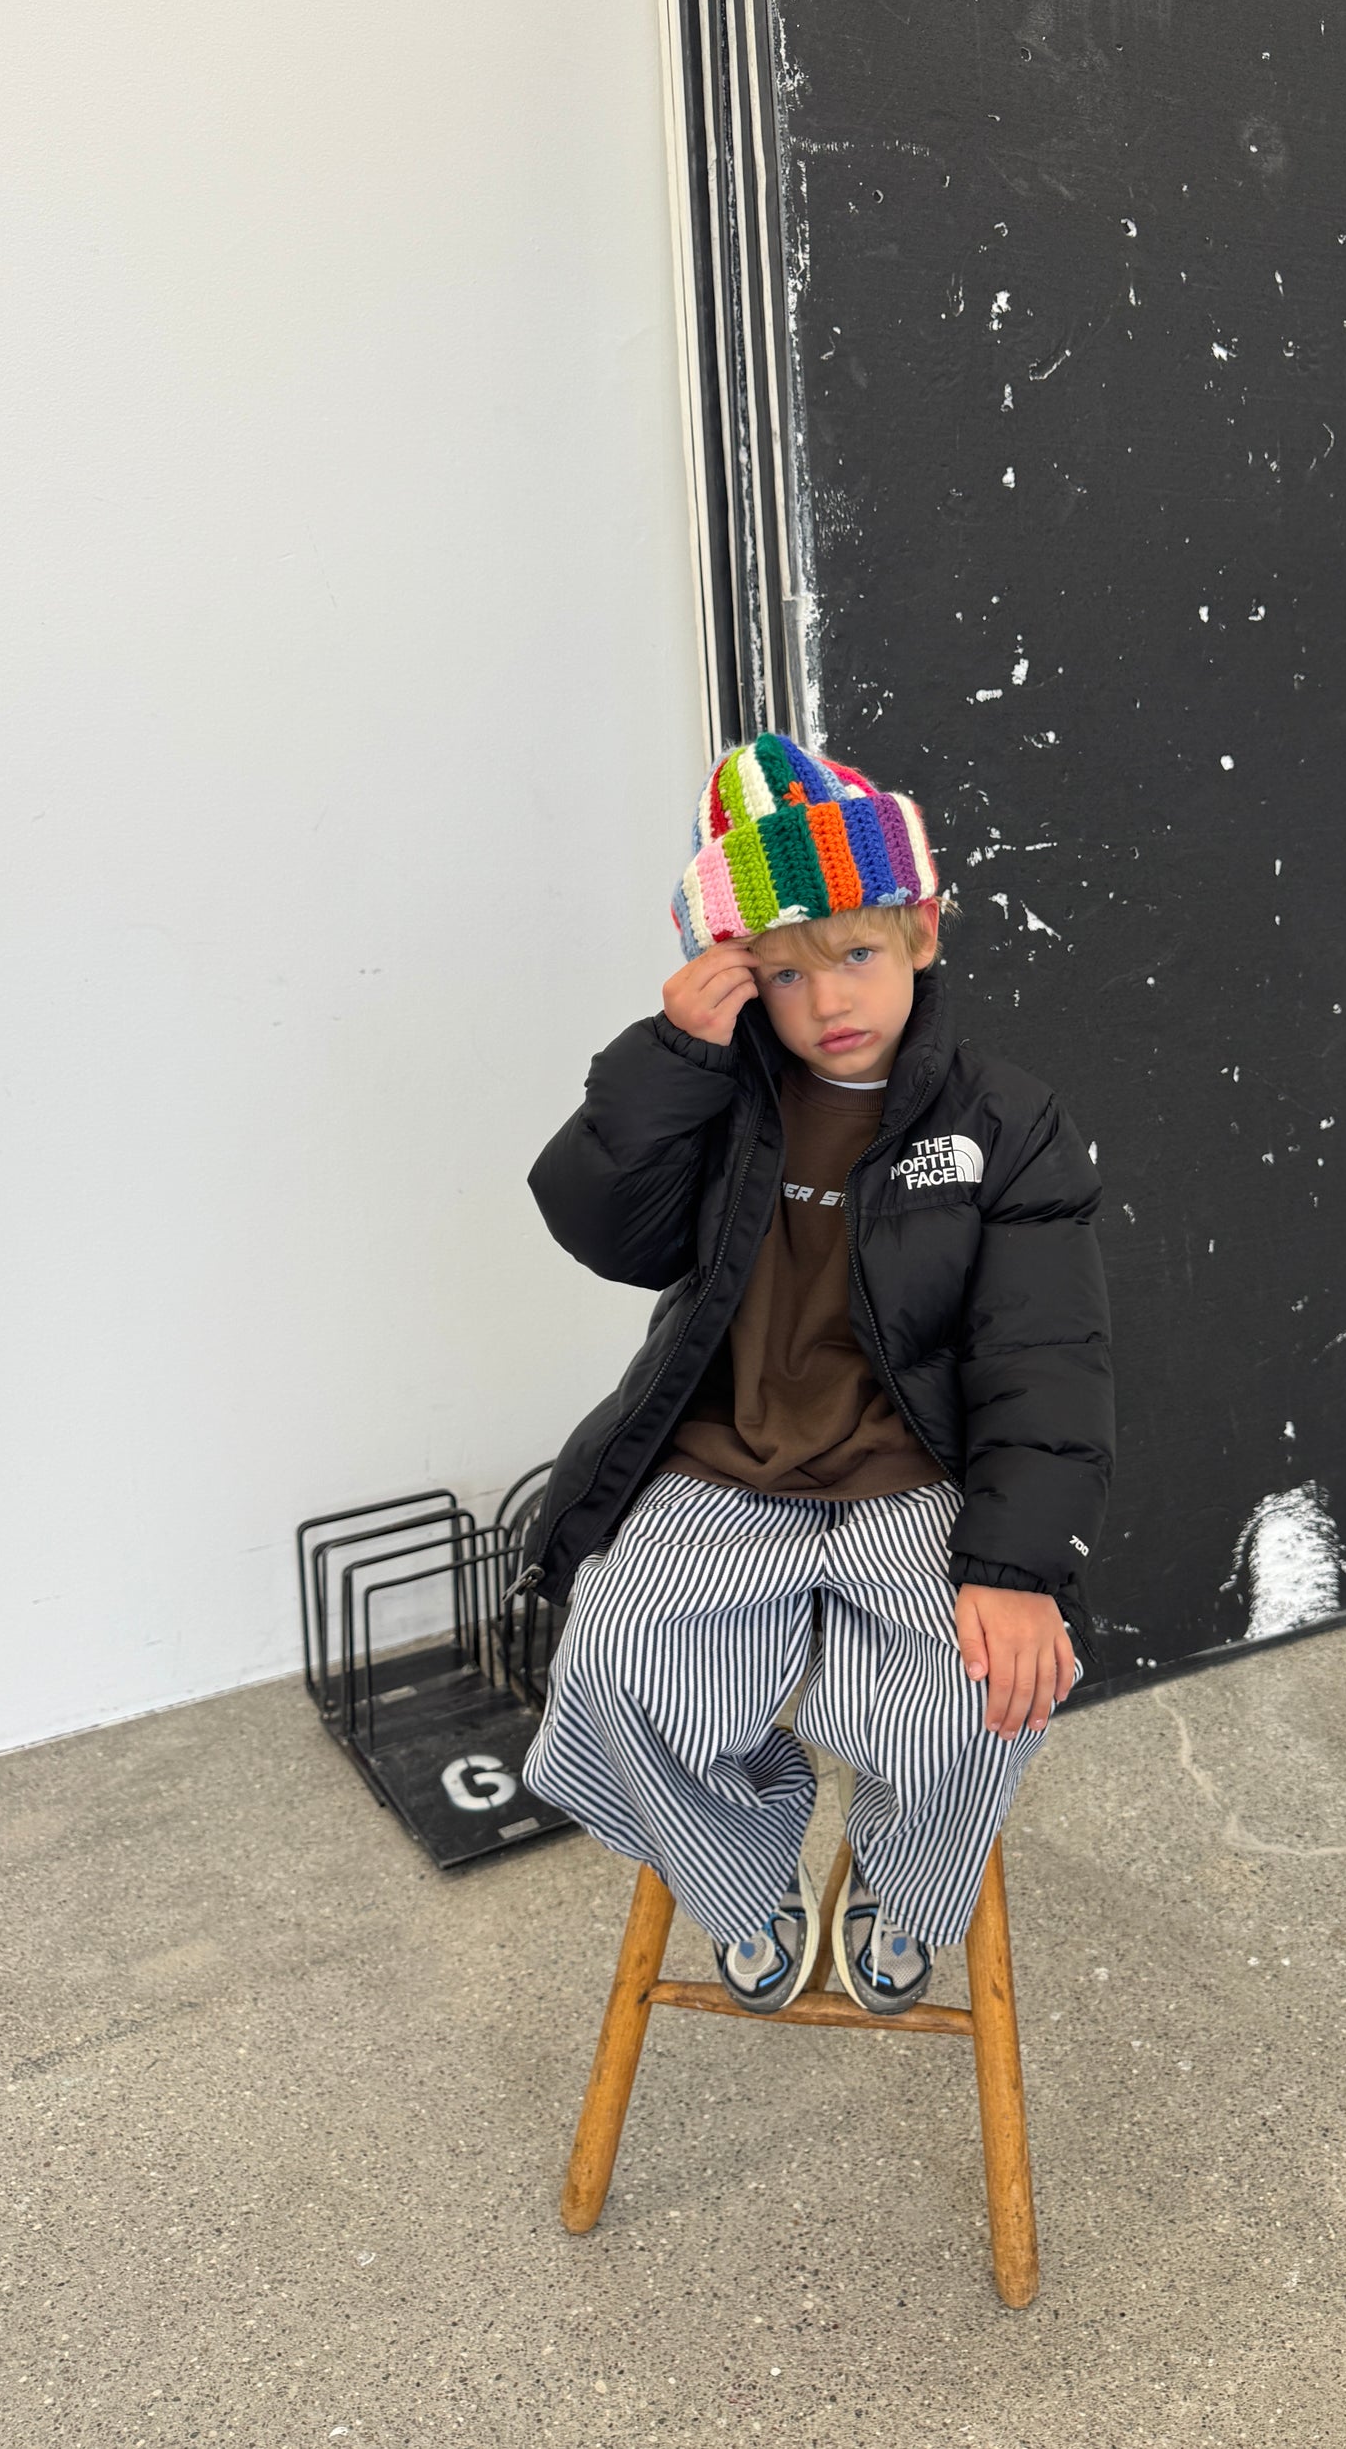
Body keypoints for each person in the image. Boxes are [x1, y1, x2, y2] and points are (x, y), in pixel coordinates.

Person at [518, 732, 1113, 2016]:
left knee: (987, 1691)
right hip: (722, 1465)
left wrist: (1016, 1570)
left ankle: (899, 1885)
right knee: (613, 1662)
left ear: (921, 934)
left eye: (855, 954)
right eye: (783, 973)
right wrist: (672, 1058)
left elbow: (1043, 1356)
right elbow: (604, 1231)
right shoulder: (723, 1098)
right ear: (740, 978)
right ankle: (745, 1877)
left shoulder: (1005, 1122)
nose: (826, 999)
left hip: (912, 1477)